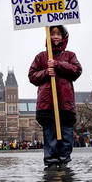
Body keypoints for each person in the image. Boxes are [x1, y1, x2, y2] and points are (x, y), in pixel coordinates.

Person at [29, 25, 82, 167]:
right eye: (52, 33)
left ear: (64, 36)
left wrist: (58, 65)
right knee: (50, 135)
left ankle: (64, 161)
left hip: (65, 103)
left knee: (66, 135)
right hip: (47, 104)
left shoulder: (70, 55)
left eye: (59, 33)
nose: (56, 36)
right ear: (48, 35)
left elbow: (77, 70)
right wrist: (46, 72)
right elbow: (32, 76)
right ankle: (51, 163)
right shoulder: (41, 57)